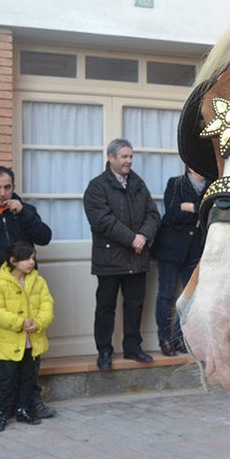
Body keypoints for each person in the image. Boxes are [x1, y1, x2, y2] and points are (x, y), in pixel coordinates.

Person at [0, 166, 56, 419]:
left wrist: (25, 213)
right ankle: (6, 403)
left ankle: (30, 401)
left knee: (31, 349)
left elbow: (45, 237)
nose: (2, 192)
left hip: (26, 289)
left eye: (7, 187)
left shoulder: (23, 212)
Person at [83, 138, 160, 370]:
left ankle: (133, 347)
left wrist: (144, 236)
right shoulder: (97, 186)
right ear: (111, 158)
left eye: (130, 156)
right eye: (124, 157)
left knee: (135, 304)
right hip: (109, 259)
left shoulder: (137, 183)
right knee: (106, 307)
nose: (129, 161)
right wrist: (132, 239)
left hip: (136, 257)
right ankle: (104, 350)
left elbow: (153, 215)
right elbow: (102, 221)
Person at [0, 242, 54, 432]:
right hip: (9, 343)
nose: (31, 263)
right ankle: (0, 413)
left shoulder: (38, 281)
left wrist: (39, 322)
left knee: (28, 378)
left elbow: (47, 305)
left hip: (32, 341)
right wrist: (19, 322)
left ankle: (23, 409)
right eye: (27, 259)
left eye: (33, 258)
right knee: (7, 380)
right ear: (13, 261)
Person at [151, 168, 209, 357]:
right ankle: (164, 338)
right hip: (170, 248)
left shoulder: (211, 185)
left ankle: (178, 336)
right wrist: (196, 209)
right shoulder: (175, 183)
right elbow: (172, 212)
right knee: (166, 295)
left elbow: (210, 213)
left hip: (194, 250)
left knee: (190, 297)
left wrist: (189, 207)